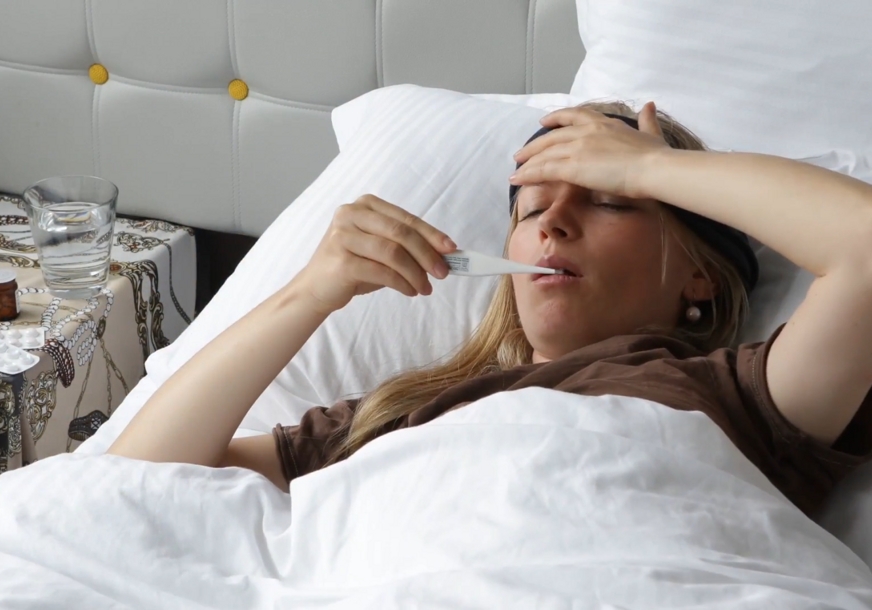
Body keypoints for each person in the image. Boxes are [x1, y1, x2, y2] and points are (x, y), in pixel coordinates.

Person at [107, 101, 872, 518]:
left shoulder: (738, 398)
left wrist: (654, 168)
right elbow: (132, 487)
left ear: (700, 278)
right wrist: (309, 292)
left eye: (610, 200)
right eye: (532, 208)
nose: (553, 223)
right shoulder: (397, 416)